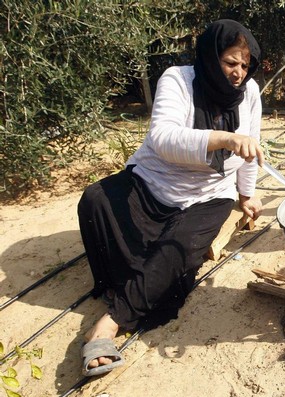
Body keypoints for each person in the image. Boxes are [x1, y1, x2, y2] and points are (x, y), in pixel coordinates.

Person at [77, 19, 264, 377]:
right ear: (211, 57)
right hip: (153, 182)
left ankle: (111, 321)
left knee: (179, 247)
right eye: (230, 62)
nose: (239, 72)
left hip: (209, 194)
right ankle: (144, 282)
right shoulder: (177, 79)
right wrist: (222, 138)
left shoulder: (251, 92)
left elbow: (249, 150)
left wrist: (247, 195)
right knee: (95, 200)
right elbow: (162, 138)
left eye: (245, 64)